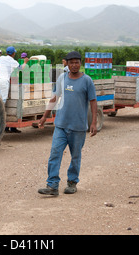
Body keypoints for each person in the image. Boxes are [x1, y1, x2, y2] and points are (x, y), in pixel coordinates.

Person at [38, 51, 97, 196]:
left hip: (78, 127)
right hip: (61, 125)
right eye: (72, 62)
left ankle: (72, 182)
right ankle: (52, 185)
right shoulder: (62, 78)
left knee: (75, 156)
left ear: (80, 63)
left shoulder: (87, 80)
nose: (74, 65)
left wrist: (93, 122)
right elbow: (54, 98)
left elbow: (93, 102)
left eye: (77, 62)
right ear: (67, 64)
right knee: (55, 153)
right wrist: (44, 117)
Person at [0, 46, 29, 133]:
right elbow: (21, 69)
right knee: (2, 101)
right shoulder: (14, 62)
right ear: (13, 53)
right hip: (4, 81)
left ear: (6, 53)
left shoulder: (1, 58)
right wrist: (25, 62)